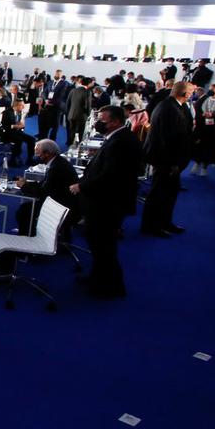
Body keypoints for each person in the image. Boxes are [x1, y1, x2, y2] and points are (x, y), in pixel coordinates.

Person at [70, 106, 141, 298]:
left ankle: (110, 287)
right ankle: (97, 277)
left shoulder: (121, 142)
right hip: (105, 201)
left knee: (104, 246)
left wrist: (82, 187)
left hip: (108, 203)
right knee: (98, 244)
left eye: (103, 120)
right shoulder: (118, 137)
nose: (98, 123)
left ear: (116, 121)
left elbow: (111, 175)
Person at [141, 81, 193, 237]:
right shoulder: (168, 108)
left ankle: (164, 222)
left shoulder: (177, 106)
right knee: (158, 193)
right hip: (165, 160)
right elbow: (165, 139)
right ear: (185, 94)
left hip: (172, 160)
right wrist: (172, 163)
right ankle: (151, 226)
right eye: (190, 92)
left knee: (169, 193)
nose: (191, 95)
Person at [12, 139, 79, 237]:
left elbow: (43, 191)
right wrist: (27, 183)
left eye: (38, 153)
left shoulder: (56, 168)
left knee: (24, 211)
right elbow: (45, 185)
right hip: (67, 202)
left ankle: (27, 239)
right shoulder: (58, 162)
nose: (35, 156)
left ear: (47, 154)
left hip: (61, 206)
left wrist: (24, 186)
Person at [190, 84, 215, 176]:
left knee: (210, 148)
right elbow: (198, 109)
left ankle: (205, 167)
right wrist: (203, 114)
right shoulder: (205, 99)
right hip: (203, 127)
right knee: (200, 146)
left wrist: (213, 115)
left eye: (212, 89)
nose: (210, 90)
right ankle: (197, 163)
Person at [0, 100, 36, 164]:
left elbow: (17, 123)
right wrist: (15, 126)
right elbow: (3, 127)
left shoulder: (19, 112)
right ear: (16, 106)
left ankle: (30, 159)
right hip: (6, 133)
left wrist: (20, 125)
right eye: (22, 105)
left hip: (16, 131)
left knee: (32, 139)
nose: (23, 107)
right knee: (19, 140)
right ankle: (13, 160)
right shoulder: (6, 113)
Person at [65, 78, 92, 143]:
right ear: (89, 84)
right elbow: (87, 105)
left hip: (71, 114)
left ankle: (70, 143)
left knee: (72, 131)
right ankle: (78, 146)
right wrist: (88, 114)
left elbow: (68, 103)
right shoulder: (87, 92)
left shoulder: (73, 90)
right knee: (80, 132)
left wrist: (68, 113)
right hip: (81, 115)